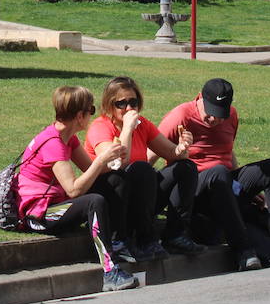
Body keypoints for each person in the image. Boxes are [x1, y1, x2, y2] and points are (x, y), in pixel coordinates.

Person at [157, 78, 270, 271]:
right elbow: (150, 154)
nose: (215, 120)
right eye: (211, 113)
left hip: (224, 182)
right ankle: (244, 251)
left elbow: (227, 153)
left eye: (220, 114)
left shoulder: (231, 116)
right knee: (218, 173)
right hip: (195, 189)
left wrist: (243, 188)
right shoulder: (180, 116)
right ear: (201, 98)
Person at [15, 85, 139, 292]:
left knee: (116, 179)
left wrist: (113, 160)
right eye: (90, 110)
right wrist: (101, 162)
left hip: (56, 203)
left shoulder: (67, 137)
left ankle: (118, 243)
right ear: (80, 116)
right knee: (94, 201)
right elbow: (73, 190)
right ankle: (110, 271)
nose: (92, 115)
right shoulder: (53, 142)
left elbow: (91, 170)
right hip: (39, 214)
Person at [84, 76, 205, 260]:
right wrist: (127, 129)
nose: (129, 108)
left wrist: (182, 147)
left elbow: (172, 153)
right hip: (114, 200)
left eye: (133, 102)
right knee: (141, 168)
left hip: (140, 199)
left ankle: (176, 235)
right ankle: (144, 240)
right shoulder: (100, 127)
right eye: (121, 104)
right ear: (109, 105)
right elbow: (119, 163)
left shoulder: (143, 125)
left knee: (185, 167)